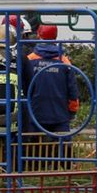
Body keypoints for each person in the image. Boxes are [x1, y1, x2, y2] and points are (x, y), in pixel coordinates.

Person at [21, 25, 79, 159]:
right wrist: (72, 110)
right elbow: (72, 90)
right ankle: (67, 173)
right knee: (64, 148)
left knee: (34, 148)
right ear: (55, 37)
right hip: (60, 113)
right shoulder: (63, 61)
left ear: (39, 36)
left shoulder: (30, 60)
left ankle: (35, 173)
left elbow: (23, 87)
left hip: (34, 112)